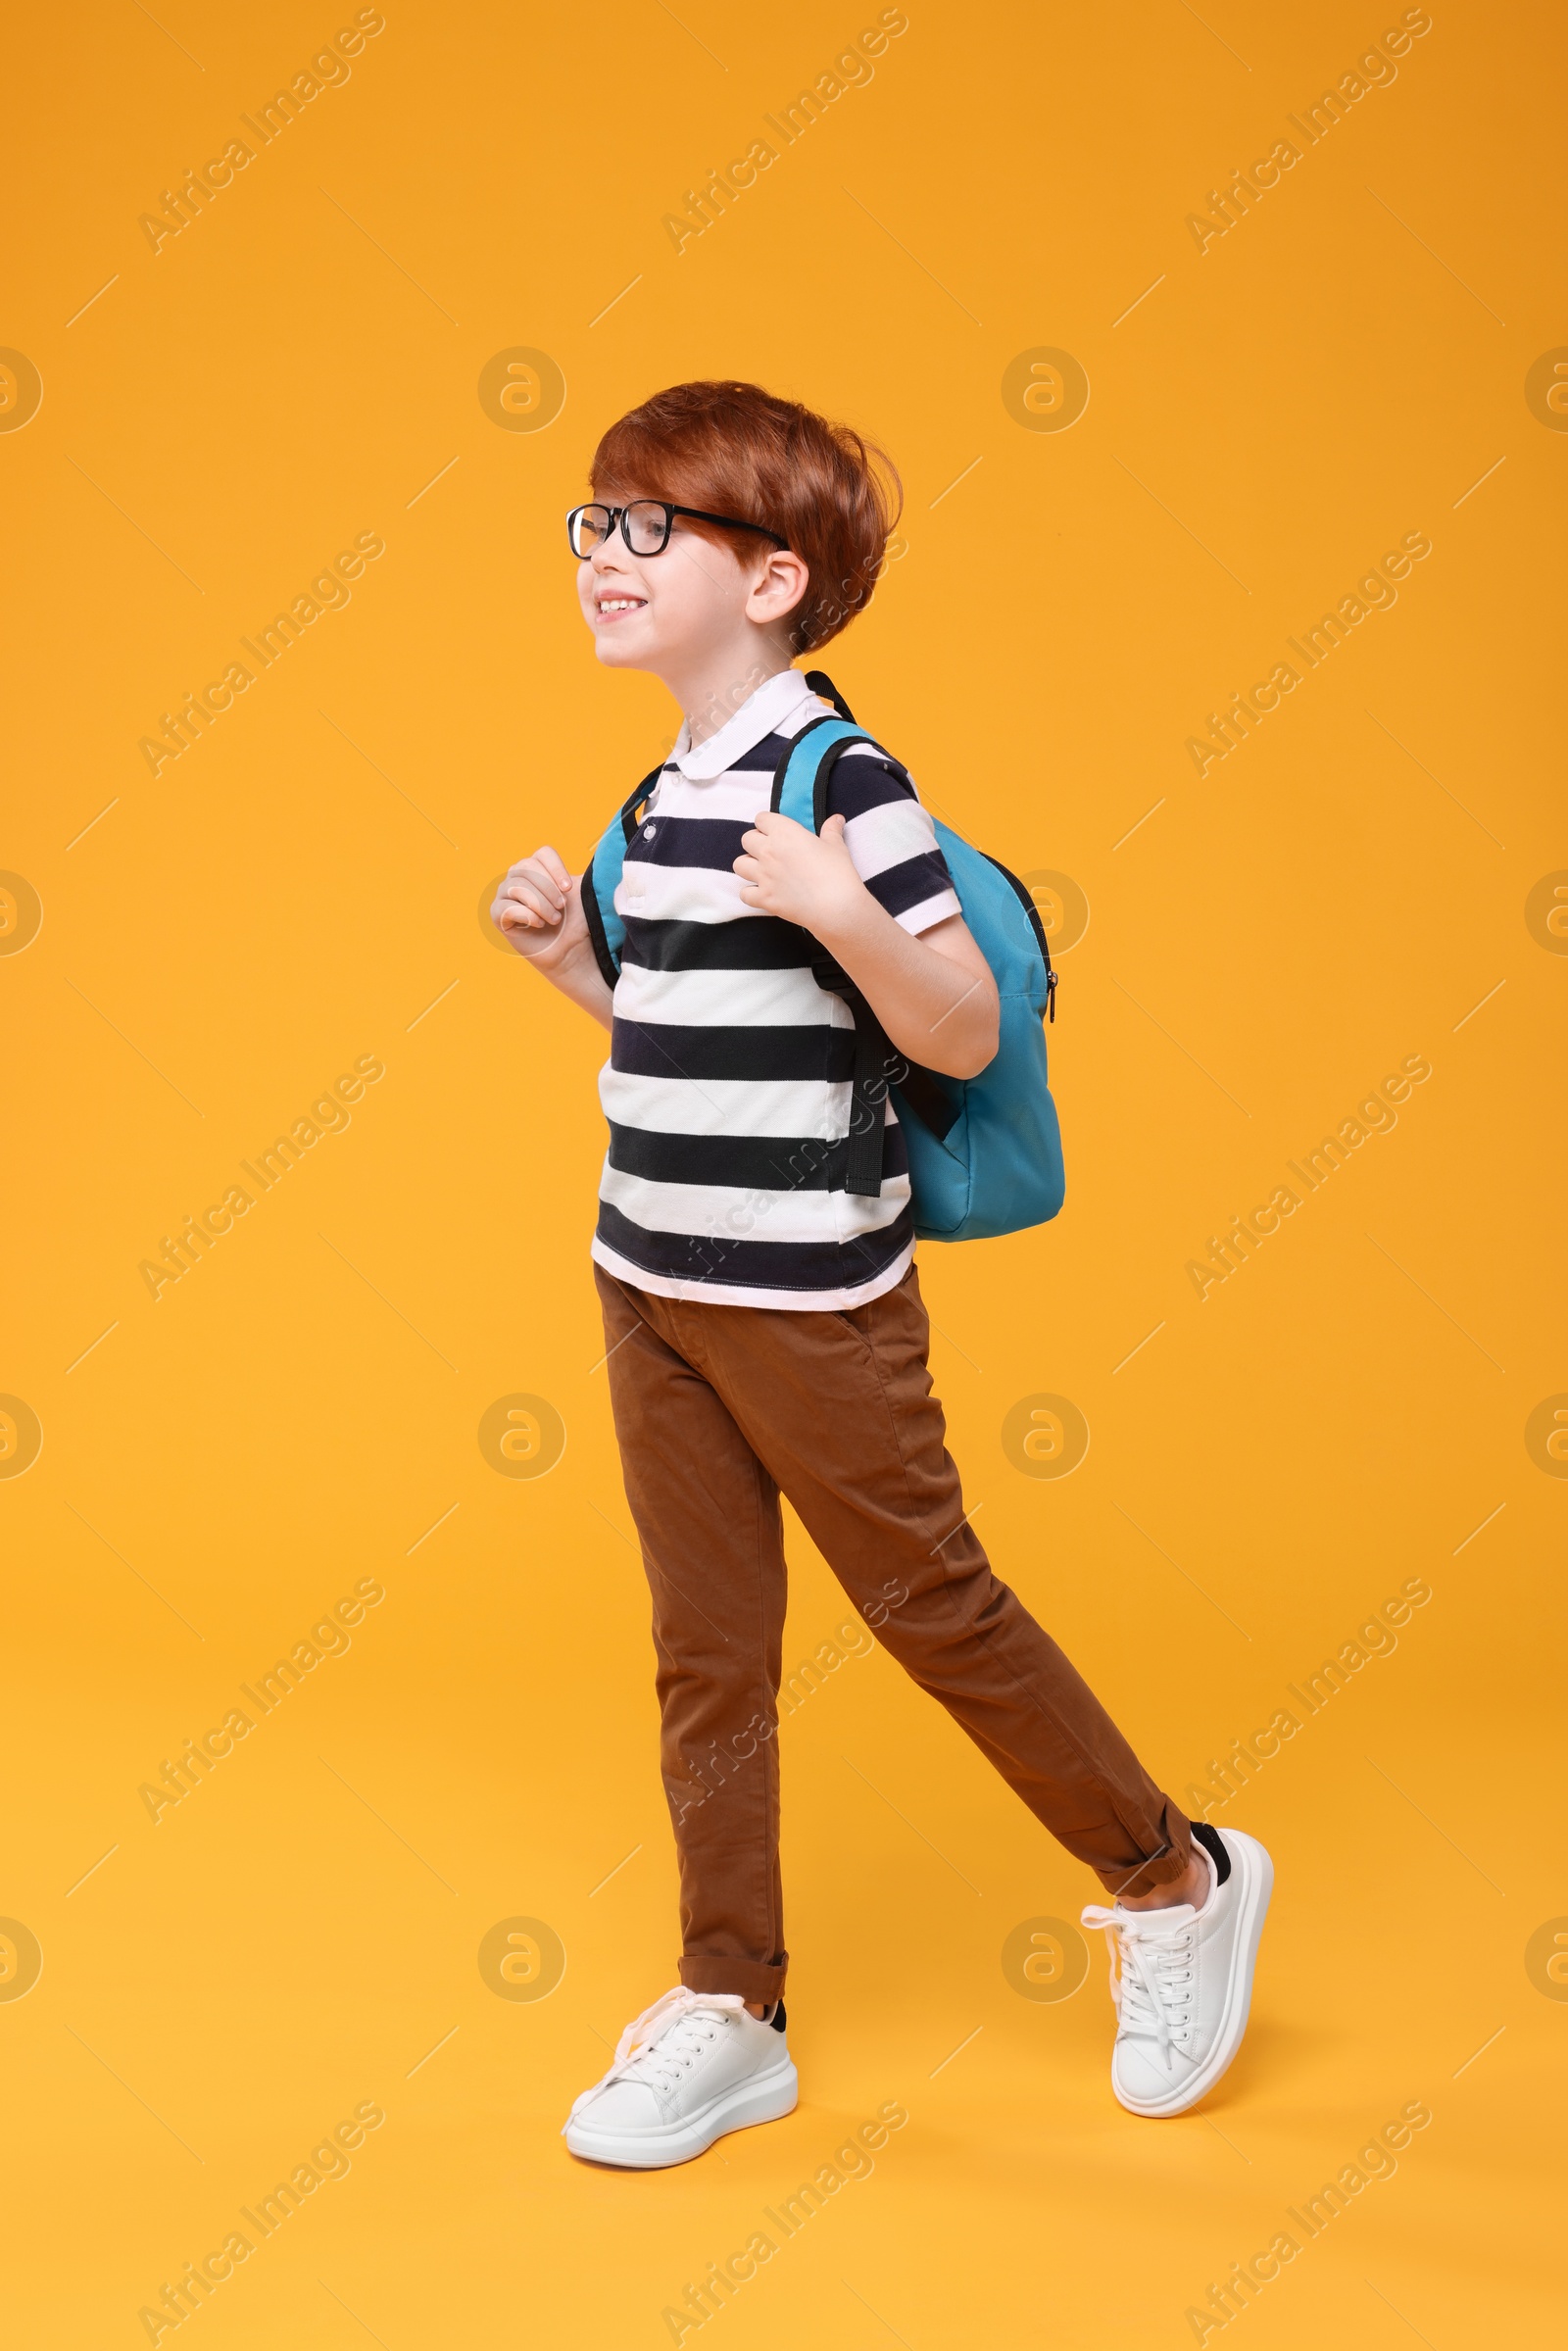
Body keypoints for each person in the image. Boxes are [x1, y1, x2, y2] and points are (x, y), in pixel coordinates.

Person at [492, 379, 1271, 2169]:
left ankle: (1179, 1880)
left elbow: (959, 1015)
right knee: (708, 1654)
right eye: (589, 523)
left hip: (810, 1301)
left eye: (642, 527)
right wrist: (567, 969)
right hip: (648, 1281)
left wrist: (837, 905)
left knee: (934, 1613)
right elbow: (684, 1049)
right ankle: (732, 2004)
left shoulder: (841, 780)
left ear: (771, 581)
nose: (599, 558)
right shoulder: (663, 787)